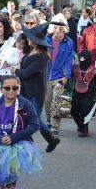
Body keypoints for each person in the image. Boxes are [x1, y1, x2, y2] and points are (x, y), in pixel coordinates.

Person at [11, 22, 61, 153]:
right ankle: (51, 140)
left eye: (29, 37)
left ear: (35, 40)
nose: (27, 39)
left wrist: (15, 71)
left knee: (33, 120)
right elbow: (18, 42)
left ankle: (28, 145)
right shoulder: (29, 50)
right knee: (32, 119)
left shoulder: (42, 57)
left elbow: (26, 73)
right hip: (26, 90)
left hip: (35, 93)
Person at [44, 14, 74, 135]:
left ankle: (55, 127)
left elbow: (69, 60)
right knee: (47, 101)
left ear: (65, 29)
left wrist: (66, 76)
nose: (58, 30)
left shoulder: (68, 42)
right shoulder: (46, 39)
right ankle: (48, 122)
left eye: (61, 28)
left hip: (59, 76)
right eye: (56, 27)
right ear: (52, 28)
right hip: (45, 76)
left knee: (56, 101)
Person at [70, 50, 96, 137]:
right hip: (76, 92)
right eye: (81, 58)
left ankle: (84, 129)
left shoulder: (94, 70)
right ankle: (80, 125)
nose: (82, 60)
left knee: (85, 112)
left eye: (83, 58)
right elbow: (68, 77)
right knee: (73, 111)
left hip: (89, 93)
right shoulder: (75, 68)